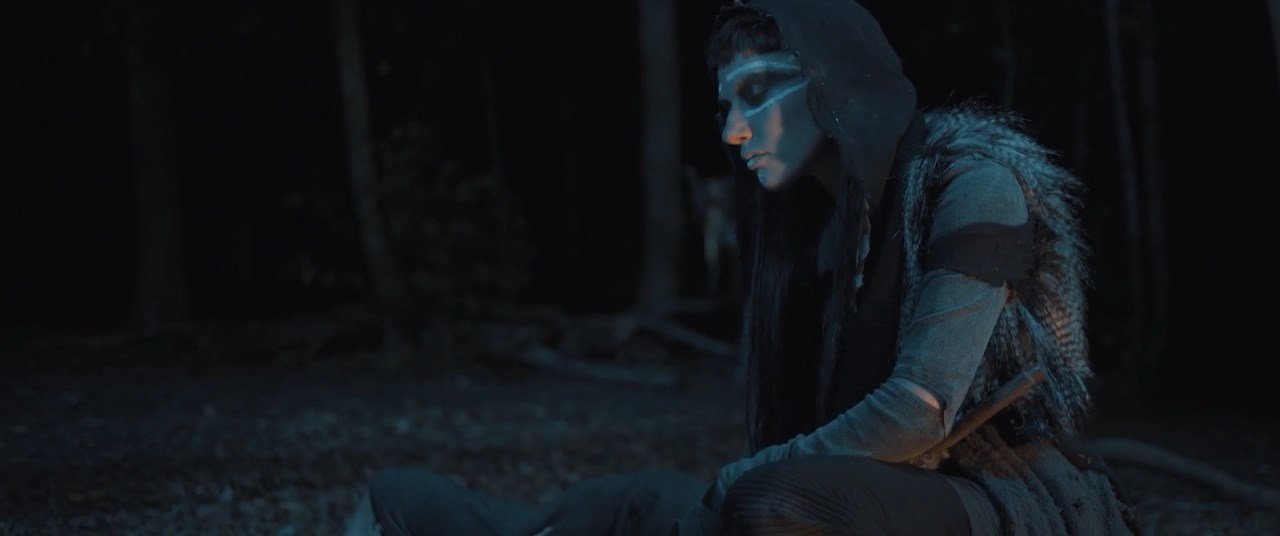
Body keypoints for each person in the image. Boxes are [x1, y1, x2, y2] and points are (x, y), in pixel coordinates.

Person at [347, 0, 1141, 534]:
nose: (732, 130)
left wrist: (741, 480)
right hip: (866, 493)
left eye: (757, 93)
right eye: (726, 103)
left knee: (769, 497)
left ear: (833, 76)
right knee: (635, 498)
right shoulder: (818, 231)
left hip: (999, 500)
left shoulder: (969, 184)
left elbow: (919, 412)